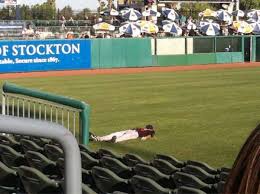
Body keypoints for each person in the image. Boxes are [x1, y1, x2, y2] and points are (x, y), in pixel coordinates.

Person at [90, 125, 155, 143]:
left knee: (124, 137)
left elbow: (151, 136)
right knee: (115, 134)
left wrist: (145, 138)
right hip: (130, 131)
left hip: (135, 134)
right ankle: (98, 138)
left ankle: (115, 140)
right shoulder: (142, 129)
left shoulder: (151, 131)